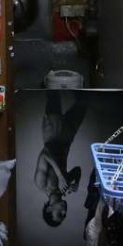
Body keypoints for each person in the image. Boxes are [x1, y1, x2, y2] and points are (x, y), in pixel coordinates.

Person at [34, 90, 87, 227]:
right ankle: (74, 78)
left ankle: (53, 70)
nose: (64, 212)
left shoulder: (41, 184)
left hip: (52, 133)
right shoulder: (64, 189)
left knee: (53, 92)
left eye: (59, 215)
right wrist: (76, 182)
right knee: (83, 101)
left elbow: (45, 153)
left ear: (49, 209)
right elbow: (77, 170)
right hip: (67, 138)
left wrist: (61, 176)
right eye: (65, 215)